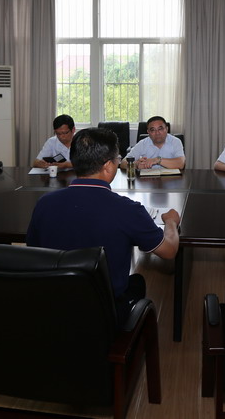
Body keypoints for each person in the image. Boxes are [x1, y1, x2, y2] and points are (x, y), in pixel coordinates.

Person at [26, 127, 180, 321]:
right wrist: (171, 222)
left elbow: (33, 249)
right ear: (108, 166)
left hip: (53, 304)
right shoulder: (127, 209)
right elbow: (169, 251)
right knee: (137, 283)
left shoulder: (44, 203)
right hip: (104, 313)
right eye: (117, 159)